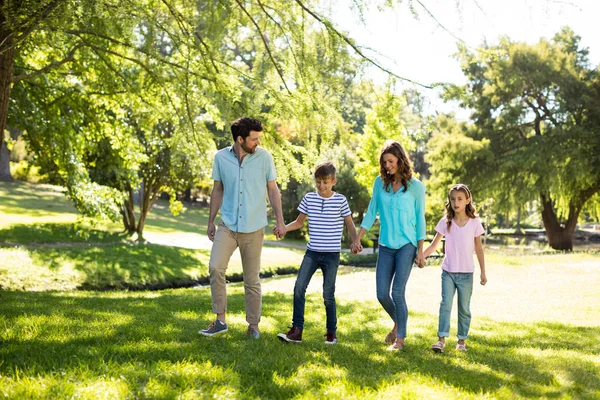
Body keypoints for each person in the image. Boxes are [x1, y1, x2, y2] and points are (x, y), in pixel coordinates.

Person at [199, 117, 286, 339]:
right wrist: (210, 221)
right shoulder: (220, 158)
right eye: (253, 138)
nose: (257, 142)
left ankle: (253, 326)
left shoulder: (264, 157)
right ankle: (220, 320)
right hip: (227, 225)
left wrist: (280, 219)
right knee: (216, 267)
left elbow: (273, 190)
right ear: (240, 139)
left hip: (254, 227)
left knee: (251, 279)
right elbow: (217, 190)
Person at [351, 140, 426, 351]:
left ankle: (399, 339)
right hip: (386, 244)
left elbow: (420, 220)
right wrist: (358, 237)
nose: (387, 166)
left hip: (406, 245)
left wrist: (420, 251)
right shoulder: (380, 183)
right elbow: (371, 211)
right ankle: (398, 323)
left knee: (398, 292)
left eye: (391, 161)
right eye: (384, 162)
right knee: (382, 293)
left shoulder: (416, 187)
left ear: (401, 160)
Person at [276, 162, 358, 345]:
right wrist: (283, 228)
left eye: (325, 182)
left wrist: (356, 240)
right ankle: (296, 330)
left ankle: (331, 333)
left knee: (328, 294)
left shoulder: (341, 200)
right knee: (299, 287)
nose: (321, 186)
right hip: (312, 252)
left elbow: (349, 224)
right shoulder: (309, 198)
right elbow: (298, 222)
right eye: (318, 182)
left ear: (334, 181)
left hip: (331, 255)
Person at [423, 183, 487, 352]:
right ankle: (441, 340)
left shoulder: (475, 223)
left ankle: (461, 341)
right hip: (448, 272)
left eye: (459, 199)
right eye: (453, 199)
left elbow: (479, 249)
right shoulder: (446, 222)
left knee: (464, 308)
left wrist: (483, 272)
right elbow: (434, 244)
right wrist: (421, 255)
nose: (456, 202)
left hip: (467, 274)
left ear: (467, 200)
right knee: (445, 304)